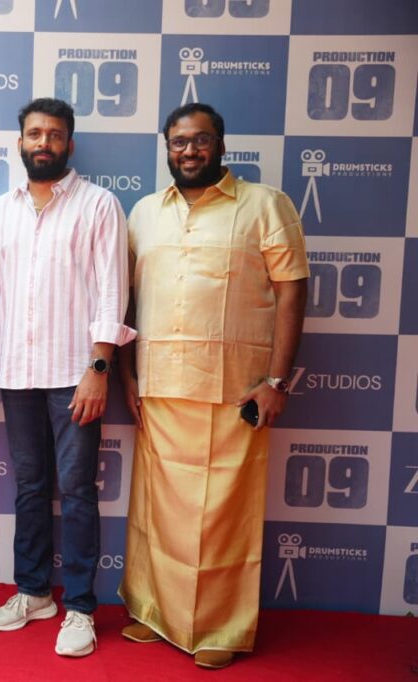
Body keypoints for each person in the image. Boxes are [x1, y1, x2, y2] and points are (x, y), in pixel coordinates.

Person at [118, 102, 309, 670]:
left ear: (222, 145)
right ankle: (154, 611)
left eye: (201, 140)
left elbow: (293, 291)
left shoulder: (265, 204)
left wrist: (277, 380)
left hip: (237, 391)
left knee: (224, 517)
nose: (190, 151)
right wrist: (127, 375)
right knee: (158, 513)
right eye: (179, 142)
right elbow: (125, 299)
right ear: (167, 149)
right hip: (159, 386)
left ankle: (221, 628)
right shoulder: (144, 212)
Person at [0, 97, 135, 658]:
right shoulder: (0, 211)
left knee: (77, 490)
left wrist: (99, 368)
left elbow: (113, 292)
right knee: (29, 487)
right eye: (34, 133)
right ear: (20, 142)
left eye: (54, 134)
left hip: (75, 374)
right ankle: (34, 591)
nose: (43, 142)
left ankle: (82, 607)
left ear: (69, 143)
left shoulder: (99, 205)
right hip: (17, 374)